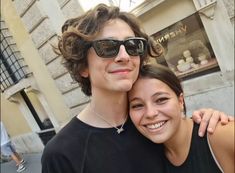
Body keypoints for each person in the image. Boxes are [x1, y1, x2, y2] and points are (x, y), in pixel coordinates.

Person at [41, 4, 232, 173]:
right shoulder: (61, 154)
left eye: (132, 45)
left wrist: (210, 121)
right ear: (83, 66)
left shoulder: (153, 123)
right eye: (108, 47)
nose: (124, 56)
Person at [128, 63, 234, 173]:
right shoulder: (145, 156)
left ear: (180, 101)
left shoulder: (222, 136)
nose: (150, 113)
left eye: (161, 100)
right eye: (137, 105)